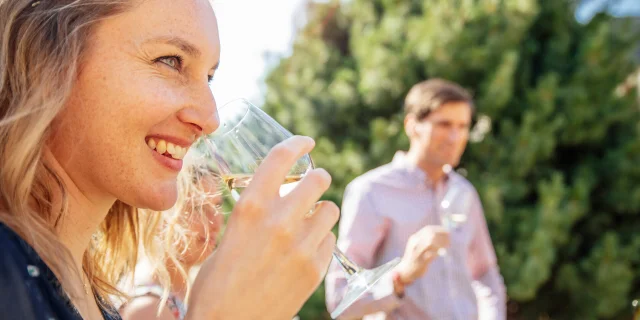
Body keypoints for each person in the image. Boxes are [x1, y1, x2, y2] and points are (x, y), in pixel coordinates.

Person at [0, 1, 339, 320]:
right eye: (171, 61)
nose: (210, 119)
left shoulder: (94, 299)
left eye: (208, 78)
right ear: (46, 62)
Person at [325, 79, 506, 319]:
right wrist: (401, 277)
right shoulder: (370, 192)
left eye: (463, 126)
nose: (455, 137)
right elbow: (341, 299)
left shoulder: (465, 192)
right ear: (412, 125)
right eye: (444, 124)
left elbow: (485, 273)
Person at [120, 160, 225, 320]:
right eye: (198, 207)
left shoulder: (181, 293)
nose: (216, 223)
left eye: (217, 207)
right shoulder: (150, 309)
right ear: (162, 215)